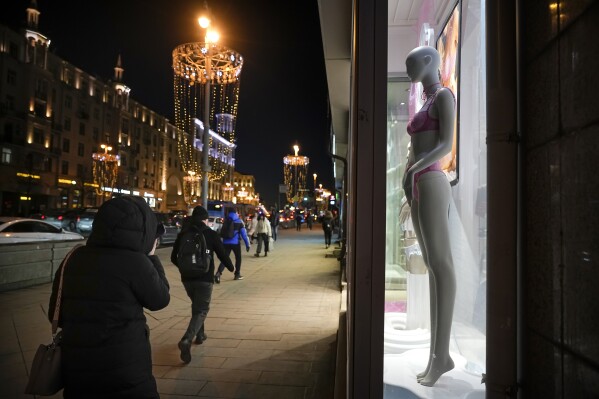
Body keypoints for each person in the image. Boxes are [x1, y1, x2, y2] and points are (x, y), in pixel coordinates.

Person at [48, 196, 170, 398]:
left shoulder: (74, 257)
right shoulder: (136, 262)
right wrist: (151, 256)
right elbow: (160, 299)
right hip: (124, 369)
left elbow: (55, 314)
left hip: (78, 369)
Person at [402, 45, 456, 387]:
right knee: (432, 267)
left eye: (412, 63)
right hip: (419, 185)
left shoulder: (443, 97)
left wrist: (416, 169)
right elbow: (413, 150)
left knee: (441, 264)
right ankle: (437, 355)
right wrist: (407, 183)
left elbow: (446, 144)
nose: (409, 68)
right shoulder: (424, 100)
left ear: (428, 62)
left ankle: (442, 355)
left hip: (434, 181)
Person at [170, 205, 235, 364]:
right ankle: (186, 339)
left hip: (187, 279)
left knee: (196, 306)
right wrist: (231, 267)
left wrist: (185, 269)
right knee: (202, 309)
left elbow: (173, 257)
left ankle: (200, 335)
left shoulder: (184, 233)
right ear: (205, 220)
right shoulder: (211, 234)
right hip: (205, 278)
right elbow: (222, 254)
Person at [215, 208, 250, 282]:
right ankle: (237, 274)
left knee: (225, 259)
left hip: (225, 243)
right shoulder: (239, 221)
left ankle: (218, 273)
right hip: (235, 243)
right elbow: (244, 234)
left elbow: (221, 232)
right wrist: (247, 244)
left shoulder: (225, 220)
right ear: (235, 213)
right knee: (238, 258)